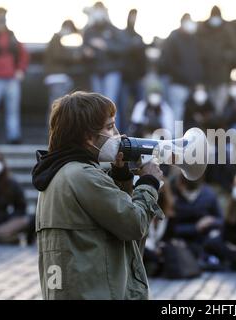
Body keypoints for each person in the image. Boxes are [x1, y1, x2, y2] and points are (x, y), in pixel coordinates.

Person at [31, 91, 164, 300]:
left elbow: (106, 224)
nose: (117, 134)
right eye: (110, 127)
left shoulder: (58, 172)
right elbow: (133, 224)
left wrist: (121, 177)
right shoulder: (82, 175)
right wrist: (149, 182)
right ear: (88, 136)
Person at [0, 7, 29, 144]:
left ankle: (14, 136)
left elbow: (23, 54)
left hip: (12, 78)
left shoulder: (11, 34)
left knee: (13, 110)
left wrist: (20, 69)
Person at [0, 149, 33, 244]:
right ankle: (2, 237)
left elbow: (21, 207)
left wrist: (12, 217)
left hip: (4, 223)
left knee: (26, 220)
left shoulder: (11, 183)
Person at [164, 175, 222, 259]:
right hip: (180, 240)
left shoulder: (209, 194)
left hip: (204, 239)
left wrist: (210, 221)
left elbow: (221, 220)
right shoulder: (173, 196)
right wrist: (195, 228)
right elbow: (169, 229)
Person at [161, 13, 204, 121]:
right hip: (177, 84)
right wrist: (183, 76)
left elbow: (198, 62)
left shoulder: (194, 39)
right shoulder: (174, 37)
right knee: (176, 114)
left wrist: (197, 81)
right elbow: (169, 62)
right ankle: (175, 137)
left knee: (192, 115)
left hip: (192, 85)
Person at [82, 2, 126, 105]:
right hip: (95, 72)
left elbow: (122, 48)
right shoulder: (89, 30)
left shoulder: (113, 29)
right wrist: (86, 53)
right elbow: (83, 49)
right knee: (97, 105)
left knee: (110, 104)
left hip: (111, 71)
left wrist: (105, 46)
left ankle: (112, 122)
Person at [198, 6, 236, 114]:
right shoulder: (203, 29)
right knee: (207, 107)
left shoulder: (227, 29)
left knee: (220, 106)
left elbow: (233, 49)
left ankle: (219, 126)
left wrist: (225, 57)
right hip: (206, 77)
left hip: (222, 76)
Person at [44, 20, 83, 116]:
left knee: (56, 107)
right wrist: (73, 56)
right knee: (57, 107)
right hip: (57, 78)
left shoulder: (56, 39)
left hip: (56, 78)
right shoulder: (56, 39)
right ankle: (53, 129)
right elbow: (58, 55)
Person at [118, 9, 146, 133]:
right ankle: (124, 133)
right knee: (123, 108)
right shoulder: (121, 36)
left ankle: (138, 132)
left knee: (139, 108)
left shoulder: (139, 38)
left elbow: (143, 59)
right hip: (124, 79)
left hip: (137, 79)